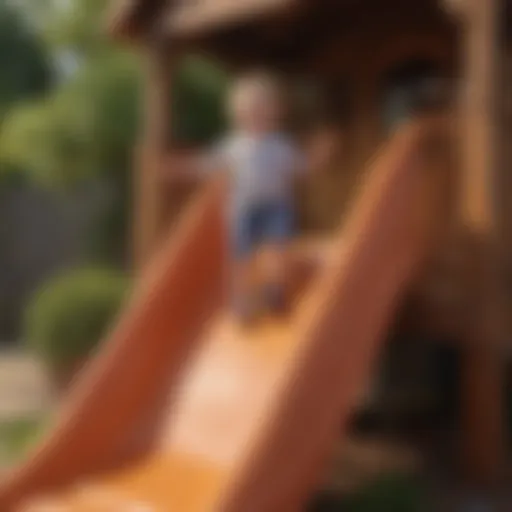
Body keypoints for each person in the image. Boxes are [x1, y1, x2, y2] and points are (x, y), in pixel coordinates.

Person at [170, 72, 337, 324]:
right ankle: (243, 301)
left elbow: (302, 169)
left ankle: (275, 292)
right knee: (241, 257)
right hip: (244, 209)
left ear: (275, 113)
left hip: (276, 207)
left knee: (277, 250)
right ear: (238, 115)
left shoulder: (281, 146)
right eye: (250, 110)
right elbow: (208, 164)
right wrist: (180, 167)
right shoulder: (234, 146)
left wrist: (320, 155)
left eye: (263, 109)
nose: (257, 115)